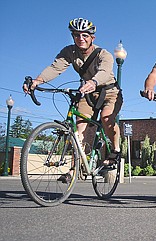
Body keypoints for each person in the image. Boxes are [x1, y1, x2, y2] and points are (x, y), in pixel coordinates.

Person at [23, 17, 123, 183]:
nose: (80, 38)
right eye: (76, 35)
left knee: (106, 118)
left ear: (92, 37)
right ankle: (75, 168)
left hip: (109, 91)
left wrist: (93, 82)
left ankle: (115, 150)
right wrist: (37, 81)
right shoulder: (69, 52)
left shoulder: (103, 54)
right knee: (78, 129)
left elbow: (105, 72)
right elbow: (55, 68)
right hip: (87, 93)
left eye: (84, 35)